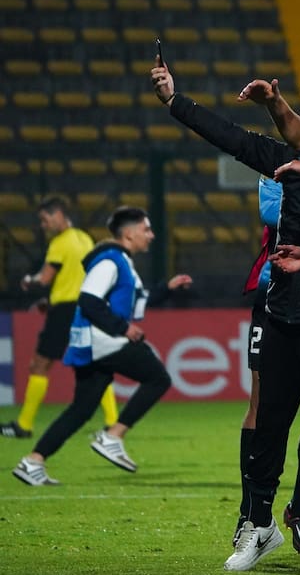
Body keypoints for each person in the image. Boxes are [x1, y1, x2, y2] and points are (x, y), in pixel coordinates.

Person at [151, 56, 300, 573]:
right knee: (269, 421)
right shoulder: (281, 160)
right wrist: (175, 101)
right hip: (281, 307)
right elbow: (230, 138)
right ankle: (259, 525)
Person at [12, 207, 190, 485]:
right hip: (103, 339)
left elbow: (139, 299)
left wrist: (168, 287)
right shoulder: (109, 261)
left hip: (95, 342)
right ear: (129, 234)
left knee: (81, 409)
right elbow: (88, 300)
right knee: (158, 378)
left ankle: (32, 462)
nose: (151, 235)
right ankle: (113, 435)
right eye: (146, 229)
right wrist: (123, 328)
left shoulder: (122, 262)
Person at [3, 199, 120, 439]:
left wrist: (29, 280)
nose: (43, 225)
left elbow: (44, 279)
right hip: (87, 306)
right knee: (95, 366)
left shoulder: (59, 243)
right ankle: (113, 422)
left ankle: (24, 425)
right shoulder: (85, 238)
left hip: (66, 310)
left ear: (57, 215)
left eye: (44, 220)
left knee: (39, 364)